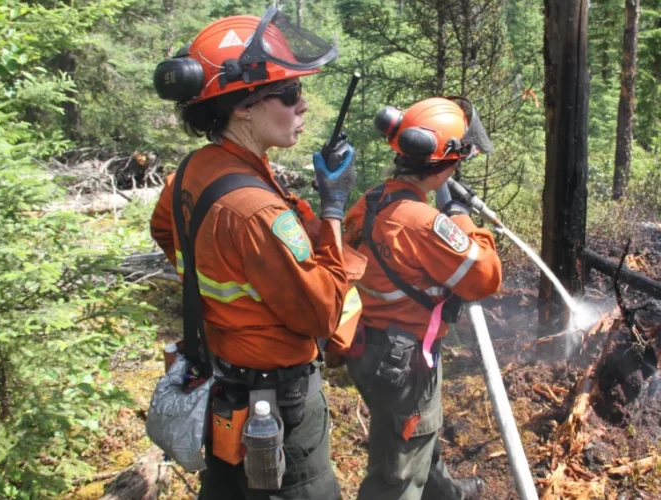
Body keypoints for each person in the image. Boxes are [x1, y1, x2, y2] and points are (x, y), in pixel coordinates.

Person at [148, 6, 365, 499]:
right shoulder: (256, 212)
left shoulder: (193, 170)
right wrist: (333, 209)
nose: (303, 106)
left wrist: (226, 303)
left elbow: (166, 229)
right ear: (241, 107)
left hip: (223, 384)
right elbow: (324, 312)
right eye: (288, 94)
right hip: (277, 402)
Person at [343, 97, 503, 500]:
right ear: (445, 165)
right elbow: (485, 276)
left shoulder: (373, 201)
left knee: (404, 432)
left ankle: (441, 491)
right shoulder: (425, 223)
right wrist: (459, 214)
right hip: (406, 362)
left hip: (372, 349)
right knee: (398, 473)